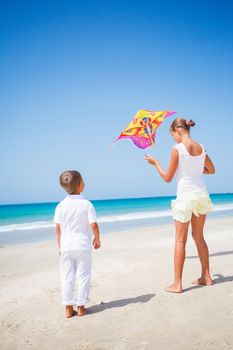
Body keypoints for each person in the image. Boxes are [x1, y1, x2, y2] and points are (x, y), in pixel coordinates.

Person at [145, 118, 215, 293]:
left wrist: (156, 164)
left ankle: (177, 284)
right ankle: (206, 277)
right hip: (201, 195)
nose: (173, 139)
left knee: (180, 240)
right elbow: (211, 170)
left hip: (185, 196)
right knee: (199, 236)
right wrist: (196, 169)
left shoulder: (177, 149)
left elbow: (167, 178)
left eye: (173, 135)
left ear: (178, 130)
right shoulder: (201, 147)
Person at [54, 170, 101, 317]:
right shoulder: (86, 204)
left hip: (66, 247)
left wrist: (60, 246)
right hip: (82, 246)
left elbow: (58, 228)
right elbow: (93, 224)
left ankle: (68, 308)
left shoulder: (61, 205)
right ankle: (81, 307)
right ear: (80, 185)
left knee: (67, 276)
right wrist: (97, 238)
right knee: (83, 275)